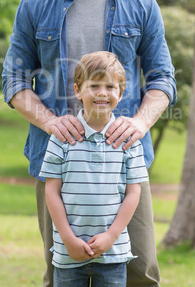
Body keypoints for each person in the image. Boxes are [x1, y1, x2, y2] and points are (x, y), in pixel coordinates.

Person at [2, 0, 177, 287]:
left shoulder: (141, 3)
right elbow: (13, 81)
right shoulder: (34, 6)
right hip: (58, 166)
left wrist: (139, 123)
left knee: (140, 274)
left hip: (124, 166)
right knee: (63, 273)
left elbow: (163, 79)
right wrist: (50, 122)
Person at [39, 51, 149, 286]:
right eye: (94, 85)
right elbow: (51, 192)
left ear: (121, 92)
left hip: (113, 253)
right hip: (68, 253)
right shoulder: (62, 138)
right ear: (78, 90)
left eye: (110, 86)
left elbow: (133, 192)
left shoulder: (129, 141)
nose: (102, 93)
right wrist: (68, 239)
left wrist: (111, 236)